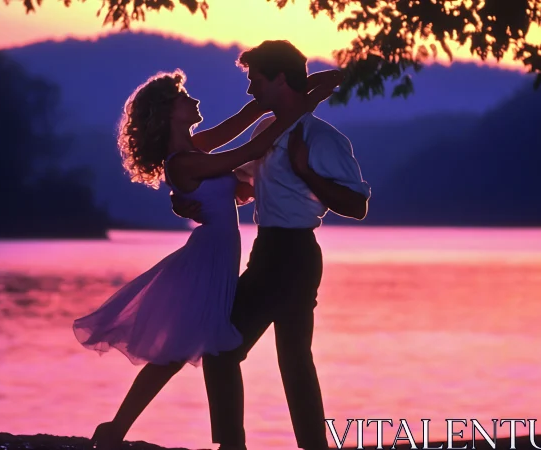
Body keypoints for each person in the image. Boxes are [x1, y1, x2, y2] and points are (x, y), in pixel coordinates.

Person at [72, 67, 342, 449]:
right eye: (184, 97)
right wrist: (310, 102)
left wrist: (313, 82)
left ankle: (116, 430)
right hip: (207, 260)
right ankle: (142, 432)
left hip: (221, 256)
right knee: (180, 352)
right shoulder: (183, 162)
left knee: (175, 354)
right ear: (168, 113)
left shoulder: (195, 148)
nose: (193, 100)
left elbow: (250, 116)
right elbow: (252, 149)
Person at [171, 40, 372, 450]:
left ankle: (233, 447)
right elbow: (242, 185)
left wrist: (305, 171)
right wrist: (190, 196)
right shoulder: (267, 129)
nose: (249, 90)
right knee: (294, 359)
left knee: (224, 349)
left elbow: (357, 205)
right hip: (270, 251)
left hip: (292, 255)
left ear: (279, 78)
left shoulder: (322, 139)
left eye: (254, 79)